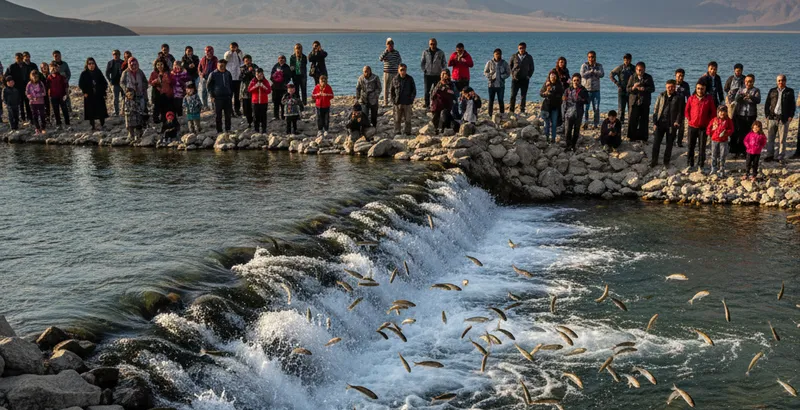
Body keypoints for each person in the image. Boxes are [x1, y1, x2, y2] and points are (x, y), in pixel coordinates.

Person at [651, 80, 685, 167]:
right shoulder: (661, 95)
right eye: (669, 87)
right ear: (666, 86)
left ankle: (666, 162)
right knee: (656, 143)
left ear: (675, 87)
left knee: (669, 144)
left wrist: (677, 121)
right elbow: (656, 109)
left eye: (672, 87)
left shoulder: (679, 97)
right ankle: (654, 161)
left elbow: (680, 112)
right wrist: (655, 122)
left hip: (671, 124)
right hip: (660, 122)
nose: (671, 89)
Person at [763, 74, 795, 162]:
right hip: (772, 117)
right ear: (777, 81)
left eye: (783, 80)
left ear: (785, 81)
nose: (781, 82)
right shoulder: (772, 91)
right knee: (770, 138)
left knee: (782, 140)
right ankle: (770, 155)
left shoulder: (790, 91)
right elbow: (767, 103)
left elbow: (793, 105)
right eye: (779, 80)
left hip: (784, 118)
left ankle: (781, 156)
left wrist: (791, 116)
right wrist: (766, 115)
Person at [684, 83, 716, 170]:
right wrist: (690, 119)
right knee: (691, 146)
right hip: (692, 126)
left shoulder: (709, 99)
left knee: (702, 147)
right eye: (698, 88)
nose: (700, 90)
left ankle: (701, 164)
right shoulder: (691, 98)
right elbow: (686, 110)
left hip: (703, 127)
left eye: (702, 89)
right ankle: (690, 163)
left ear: (705, 89)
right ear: (696, 89)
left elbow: (713, 113)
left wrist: (709, 123)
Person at [730, 74, 760, 158]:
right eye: (746, 81)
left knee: (749, 134)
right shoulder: (741, 89)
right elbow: (736, 100)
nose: (748, 83)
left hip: (751, 115)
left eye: (750, 81)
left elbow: (758, 100)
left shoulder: (756, 90)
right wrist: (740, 97)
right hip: (740, 115)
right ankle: (738, 151)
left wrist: (750, 96)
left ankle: (747, 151)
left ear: (753, 82)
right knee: (739, 133)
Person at [624, 62, 655, 142]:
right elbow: (627, 89)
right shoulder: (632, 77)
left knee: (644, 120)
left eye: (641, 70)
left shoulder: (648, 77)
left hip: (644, 101)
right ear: (636, 70)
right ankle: (631, 136)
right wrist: (633, 87)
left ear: (644, 69)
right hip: (634, 101)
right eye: (638, 70)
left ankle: (643, 136)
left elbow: (652, 89)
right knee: (633, 119)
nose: (640, 72)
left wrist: (644, 89)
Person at [78, 57, 109, 130]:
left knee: (101, 110)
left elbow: (104, 83)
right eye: (89, 64)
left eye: (93, 63)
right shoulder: (84, 73)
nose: (91, 65)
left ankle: (103, 124)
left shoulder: (98, 72)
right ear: (87, 65)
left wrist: (103, 91)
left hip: (99, 94)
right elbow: (81, 84)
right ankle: (92, 126)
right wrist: (84, 92)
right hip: (89, 94)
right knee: (90, 110)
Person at [562, 73, 588, 151]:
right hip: (568, 114)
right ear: (572, 81)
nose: (576, 82)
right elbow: (563, 102)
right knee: (567, 131)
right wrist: (563, 113)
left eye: (577, 80)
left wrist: (581, 99)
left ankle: (573, 145)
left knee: (576, 131)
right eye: (574, 80)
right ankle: (568, 145)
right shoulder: (567, 90)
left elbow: (587, 101)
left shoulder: (583, 90)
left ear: (580, 81)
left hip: (578, 113)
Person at [120, 57, 149, 126]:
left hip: (140, 94)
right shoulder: (125, 72)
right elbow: (121, 83)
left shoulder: (140, 72)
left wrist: (143, 87)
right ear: (129, 64)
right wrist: (126, 90)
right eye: (132, 65)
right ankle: (131, 128)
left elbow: (145, 81)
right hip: (130, 96)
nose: (134, 66)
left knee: (141, 110)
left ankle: (141, 125)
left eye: (135, 65)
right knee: (130, 112)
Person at [207, 59, 233, 133]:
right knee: (218, 115)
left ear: (225, 66)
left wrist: (231, 94)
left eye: (223, 66)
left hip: (227, 97)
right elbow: (209, 86)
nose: (221, 67)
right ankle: (219, 130)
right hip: (217, 97)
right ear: (217, 65)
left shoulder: (228, 73)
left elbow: (231, 84)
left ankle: (228, 129)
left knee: (228, 115)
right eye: (220, 66)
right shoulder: (213, 74)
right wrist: (212, 96)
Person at [706, 106, 734, 176]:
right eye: (720, 111)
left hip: (723, 141)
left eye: (723, 111)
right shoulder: (714, 120)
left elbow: (731, 129)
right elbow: (709, 127)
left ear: (726, 112)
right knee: (714, 154)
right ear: (717, 112)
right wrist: (710, 133)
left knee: (722, 155)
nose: (722, 113)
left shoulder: (728, 120)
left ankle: (722, 169)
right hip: (714, 140)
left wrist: (726, 132)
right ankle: (713, 168)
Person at [580, 51, 604, 129]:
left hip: (596, 90)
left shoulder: (599, 65)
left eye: (593, 57)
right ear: (588, 58)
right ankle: (585, 123)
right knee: (585, 108)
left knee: (596, 108)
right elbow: (582, 75)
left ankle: (596, 124)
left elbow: (602, 74)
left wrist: (595, 71)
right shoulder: (584, 65)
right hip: (586, 90)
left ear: (595, 57)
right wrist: (590, 71)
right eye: (589, 57)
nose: (591, 59)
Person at [420, 38, 447, 109]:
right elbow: (422, 62)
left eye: (434, 44)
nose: (432, 45)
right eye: (431, 44)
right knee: (427, 90)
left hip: (437, 74)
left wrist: (443, 71)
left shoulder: (440, 52)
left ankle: (436, 103)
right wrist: (424, 70)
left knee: (436, 90)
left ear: (436, 44)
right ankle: (427, 103)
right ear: (429, 44)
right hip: (427, 75)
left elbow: (444, 63)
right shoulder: (425, 52)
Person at [508, 42, 534, 115]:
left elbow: (532, 68)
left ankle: (522, 110)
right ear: (518, 48)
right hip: (515, 79)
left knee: (523, 95)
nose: (521, 50)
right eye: (520, 48)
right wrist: (512, 75)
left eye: (522, 48)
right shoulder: (514, 56)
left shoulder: (529, 57)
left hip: (524, 79)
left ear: (525, 48)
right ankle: (511, 110)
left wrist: (528, 76)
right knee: (513, 95)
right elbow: (510, 66)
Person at [390, 63, 415, 136]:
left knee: (408, 119)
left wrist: (411, 100)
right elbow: (391, 91)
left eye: (404, 70)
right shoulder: (395, 79)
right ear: (398, 70)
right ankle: (397, 131)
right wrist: (393, 100)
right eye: (401, 70)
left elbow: (413, 90)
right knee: (397, 119)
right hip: (398, 102)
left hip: (407, 102)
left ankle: (407, 132)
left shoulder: (410, 79)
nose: (403, 71)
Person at [483, 48, 510, 117]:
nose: (497, 55)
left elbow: (508, 73)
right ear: (493, 54)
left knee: (501, 100)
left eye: (499, 54)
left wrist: (502, 76)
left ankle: (502, 114)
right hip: (491, 85)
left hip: (501, 85)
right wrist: (491, 76)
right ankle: (490, 115)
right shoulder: (490, 62)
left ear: (501, 55)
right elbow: (485, 72)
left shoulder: (504, 63)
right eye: (496, 54)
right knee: (491, 101)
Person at [540, 71, 564, 144]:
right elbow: (541, 94)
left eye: (554, 76)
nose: (552, 77)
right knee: (546, 123)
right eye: (551, 76)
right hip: (546, 106)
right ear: (549, 77)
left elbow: (561, 94)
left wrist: (553, 92)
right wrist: (547, 91)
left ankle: (553, 138)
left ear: (556, 77)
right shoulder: (546, 84)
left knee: (554, 124)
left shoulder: (559, 85)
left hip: (555, 107)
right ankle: (547, 138)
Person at [5, 53, 31, 121]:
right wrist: (9, 87)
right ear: (15, 58)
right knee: (20, 104)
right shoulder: (12, 66)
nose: (19, 60)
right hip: (16, 89)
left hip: (26, 87)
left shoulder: (26, 66)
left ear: (23, 58)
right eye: (18, 58)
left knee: (28, 103)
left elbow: (30, 76)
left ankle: (30, 118)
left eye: (21, 58)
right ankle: (23, 119)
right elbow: (6, 77)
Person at [429, 69, 456, 135]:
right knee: (435, 118)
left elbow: (452, 93)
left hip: (446, 104)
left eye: (444, 74)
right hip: (437, 104)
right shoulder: (436, 83)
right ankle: (436, 130)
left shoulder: (451, 84)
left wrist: (444, 90)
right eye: (442, 74)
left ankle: (443, 129)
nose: (443, 76)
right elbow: (432, 94)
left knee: (444, 117)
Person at [609, 53, 633, 123]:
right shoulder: (620, 68)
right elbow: (611, 74)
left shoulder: (633, 68)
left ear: (630, 60)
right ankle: (621, 121)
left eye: (627, 60)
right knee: (621, 108)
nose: (626, 61)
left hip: (631, 90)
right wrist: (617, 83)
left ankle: (630, 121)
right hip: (621, 89)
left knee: (630, 107)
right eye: (625, 60)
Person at [223, 42, 245, 117]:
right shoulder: (227, 53)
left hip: (237, 77)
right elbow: (226, 58)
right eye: (232, 47)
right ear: (230, 47)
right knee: (230, 94)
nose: (233, 48)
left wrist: (239, 53)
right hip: (230, 77)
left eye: (235, 47)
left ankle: (237, 109)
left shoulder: (239, 52)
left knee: (237, 95)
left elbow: (243, 61)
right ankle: (229, 110)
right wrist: (231, 52)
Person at [248, 68, 271, 133]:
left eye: (260, 74)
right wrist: (255, 86)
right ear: (255, 74)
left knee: (264, 116)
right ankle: (256, 129)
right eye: (257, 74)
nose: (259, 76)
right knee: (256, 116)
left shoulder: (265, 81)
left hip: (264, 102)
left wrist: (263, 86)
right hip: (255, 102)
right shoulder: (253, 81)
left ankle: (264, 129)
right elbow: (249, 90)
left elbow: (269, 91)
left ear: (263, 74)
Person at [379, 38, 401, 106]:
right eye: (388, 45)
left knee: (393, 87)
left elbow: (399, 60)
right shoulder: (385, 52)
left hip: (394, 72)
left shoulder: (396, 52)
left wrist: (397, 67)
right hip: (386, 72)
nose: (390, 46)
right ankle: (385, 103)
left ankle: (393, 101)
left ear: (393, 45)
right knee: (385, 88)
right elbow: (380, 59)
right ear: (386, 45)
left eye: (391, 45)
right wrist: (386, 51)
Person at [238, 55, 259, 128]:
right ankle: (249, 122)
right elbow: (241, 78)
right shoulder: (242, 68)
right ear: (244, 61)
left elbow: (258, 76)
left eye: (249, 60)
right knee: (246, 108)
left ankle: (256, 121)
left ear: (251, 60)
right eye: (246, 61)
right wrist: (247, 72)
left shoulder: (255, 67)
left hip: (254, 90)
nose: (248, 62)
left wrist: (252, 71)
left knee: (255, 107)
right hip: (245, 91)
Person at [47, 62, 69, 128]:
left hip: (62, 95)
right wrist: (49, 96)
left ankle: (67, 122)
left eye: (55, 68)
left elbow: (66, 86)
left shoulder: (61, 76)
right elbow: (48, 87)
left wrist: (66, 95)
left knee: (64, 109)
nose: (54, 69)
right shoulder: (49, 77)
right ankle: (58, 122)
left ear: (58, 68)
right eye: (52, 68)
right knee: (55, 110)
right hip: (53, 96)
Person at [270, 55, 292, 121]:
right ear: (278, 59)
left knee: (283, 102)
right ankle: (276, 116)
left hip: (283, 87)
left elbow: (289, 77)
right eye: (279, 58)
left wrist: (284, 82)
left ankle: (283, 116)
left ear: (285, 60)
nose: (281, 59)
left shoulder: (287, 67)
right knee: (275, 102)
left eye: (282, 58)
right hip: (275, 87)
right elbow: (271, 76)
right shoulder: (275, 66)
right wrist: (274, 80)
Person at [674, 68, 691, 147]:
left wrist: (689, 107)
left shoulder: (685, 85)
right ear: (675, 76)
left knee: (681, 125)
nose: (680, 77)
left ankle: (679, 141)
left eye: (682, 76)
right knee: (672, 124)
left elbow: (688, 97)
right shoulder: (672, 83)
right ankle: (672, 140)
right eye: (679, 76)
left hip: (682, 106)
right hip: (673, 106)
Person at [106, 50, 124, 116]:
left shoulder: (123, 62)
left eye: (117, 54)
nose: (115, 55)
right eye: (114, 54)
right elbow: (107, 73)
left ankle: (123, 111)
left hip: (123, 83)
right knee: (115, 99)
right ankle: (116, 112)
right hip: (114, 83)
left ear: (119, 55)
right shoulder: (110, 63)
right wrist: (110, 80)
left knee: (124, 98)